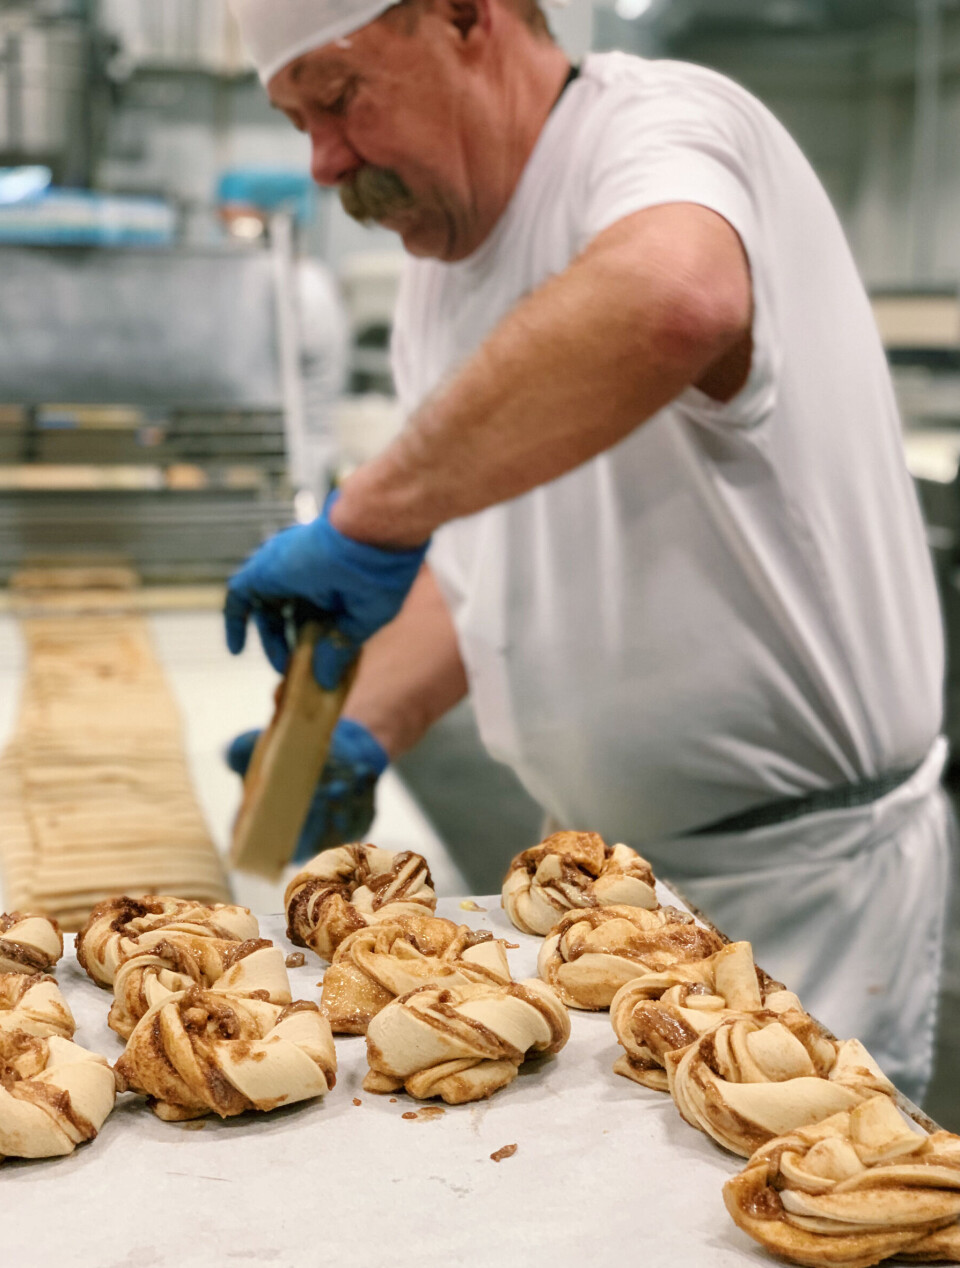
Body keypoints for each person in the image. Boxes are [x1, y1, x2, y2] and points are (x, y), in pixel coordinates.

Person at [223, 0, 955, 1102]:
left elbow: (673, 296)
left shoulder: (658, 128)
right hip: (594, 899)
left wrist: (371, 511)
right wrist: (367, 724)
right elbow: (492, 571)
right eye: (297, 123)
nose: (325, 160)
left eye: (338, 98)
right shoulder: (442, 273)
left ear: (465, 17)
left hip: (797, 894)